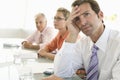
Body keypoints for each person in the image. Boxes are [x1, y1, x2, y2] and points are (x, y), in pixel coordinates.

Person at [42, 0, 120, 80]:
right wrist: (72, 34)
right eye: (77, 19)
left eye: (86, 14)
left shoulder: (117, 43)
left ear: (100, 15)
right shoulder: (83, 43)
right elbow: (61, 72)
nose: (82, 23)